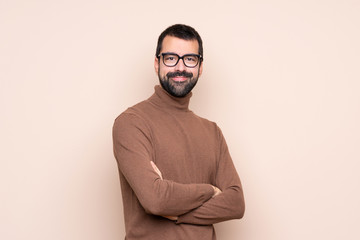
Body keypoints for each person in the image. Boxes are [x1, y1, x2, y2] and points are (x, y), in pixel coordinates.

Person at [112, 24, 245, 240]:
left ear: (200, 67)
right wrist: (210, 190)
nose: (180, 67)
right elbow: (155, 200)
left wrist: (174, 213)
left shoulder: (212, 132)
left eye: (190, 59)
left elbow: (236, 204)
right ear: (157, 64)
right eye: (171, 58)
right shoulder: (131, 123)